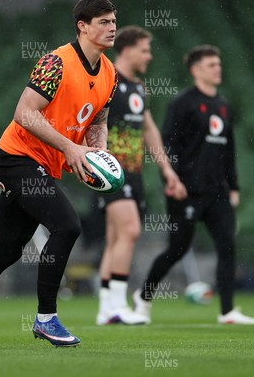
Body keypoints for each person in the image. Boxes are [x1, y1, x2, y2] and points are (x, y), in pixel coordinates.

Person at [0, 0, 118, 348]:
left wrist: (98, 153)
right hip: (15, 158)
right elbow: (24, 113)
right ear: (82, 26)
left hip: (41, 164)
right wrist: (69, 147)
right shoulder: (56, 63)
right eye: (104, 22)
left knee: (7, 248)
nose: (112, 28)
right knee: (67, 225)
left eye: (113, 21)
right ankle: (46, 319)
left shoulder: (109, 71)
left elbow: (99, 120)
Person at [133, 45, 254, 324]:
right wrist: (171, 179)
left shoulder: (224, 106)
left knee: (227, 246)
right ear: (195, 70)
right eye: (211, 65)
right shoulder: (183, 103)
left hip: (218, 192)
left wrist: (233, 186)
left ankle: (227, 311)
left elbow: (228, 149)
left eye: (218, 64)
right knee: (176, 249)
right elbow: (168, 144)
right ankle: (143, 297)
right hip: (185, 190)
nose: (218, 69)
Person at [95, 26, 186, 326]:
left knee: (115, 238)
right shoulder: (106, 79)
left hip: (132, 172)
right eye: (145, 50)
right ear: (128, 50)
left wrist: (166, 170)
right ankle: (118, 306)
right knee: (131, 231)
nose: (150, 56)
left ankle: (106, 308)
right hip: (109, 169)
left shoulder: (138, 87)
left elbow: (148, 130)